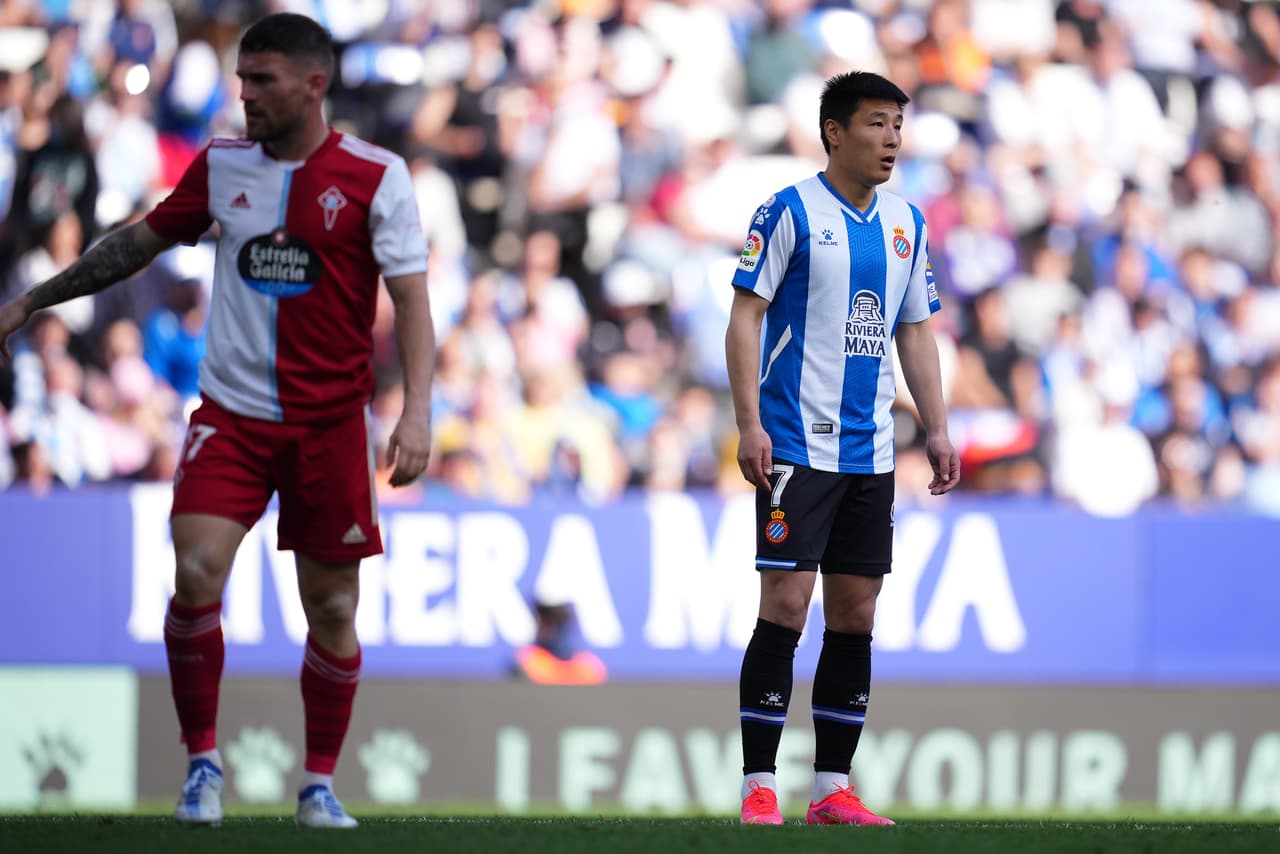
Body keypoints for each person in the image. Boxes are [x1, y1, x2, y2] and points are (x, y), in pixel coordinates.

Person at [0, 13, 435, 830]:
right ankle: (202, 765)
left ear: (314, 84)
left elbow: (411, 299)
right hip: (231, 417)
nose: (245, 97)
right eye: (241, 80)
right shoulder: (224, 166)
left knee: (334, 612)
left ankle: (317, 784)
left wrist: (417, 412)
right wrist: (32, 300)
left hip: (331, 426)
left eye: (262, 81)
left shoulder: (378, 177)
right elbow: (138, 243)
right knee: (196, 571)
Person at [725, 71, 959, 827]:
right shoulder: (789, 210)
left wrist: (938, 425)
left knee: (855, 614)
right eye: (876, 123)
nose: (892, 138)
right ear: (835, 131)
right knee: (786, 607)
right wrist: (748, 421)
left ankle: (831, 789)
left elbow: (914, 330)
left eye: (898, 124)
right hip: (795, 441)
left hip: (873, 452)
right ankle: (759, 785)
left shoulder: (906, 223)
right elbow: (744, 316)